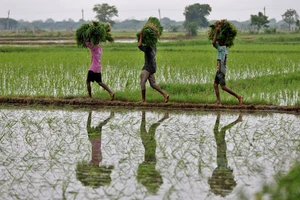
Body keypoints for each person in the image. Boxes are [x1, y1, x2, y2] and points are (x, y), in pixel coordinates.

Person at [212, 26, 242, 105]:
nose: (218, 42)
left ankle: (238, 97)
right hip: (220, 68)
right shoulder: (225, 48)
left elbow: (213, 43)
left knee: (223, 87)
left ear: (222, 42)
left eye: (220, 41)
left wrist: (216, 32)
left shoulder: (221, 48)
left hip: (221, 68)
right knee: (215, 85)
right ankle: (218, 102)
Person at [138, 31, 169, 103]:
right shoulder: (154, 46)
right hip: (153, 66)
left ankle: (143, 100)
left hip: (148, 67)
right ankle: (165, 94)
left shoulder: (148, 48)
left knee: (142, 82)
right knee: (153, 84)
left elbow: (139, 45)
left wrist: (141, 36)